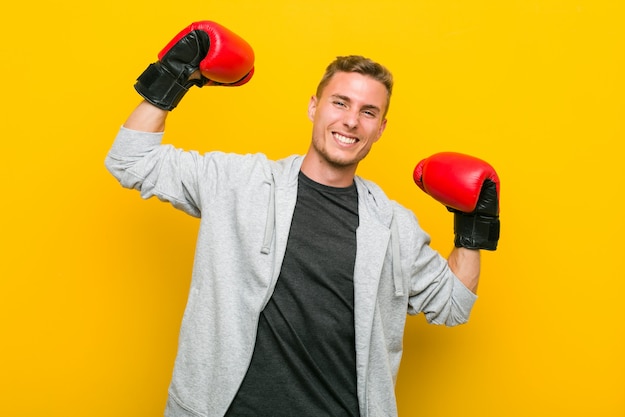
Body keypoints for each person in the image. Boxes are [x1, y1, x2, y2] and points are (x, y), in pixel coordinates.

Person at [105, 20, 500, 417]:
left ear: (380, 129)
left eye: (368, 112)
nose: (351, 121)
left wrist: (473, 229)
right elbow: (131, 160)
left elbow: (452, 303)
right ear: (314, 106)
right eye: (340, 103)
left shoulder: (394, 226)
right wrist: (176, 74)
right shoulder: (238, 183)